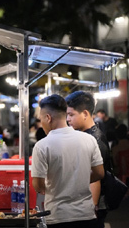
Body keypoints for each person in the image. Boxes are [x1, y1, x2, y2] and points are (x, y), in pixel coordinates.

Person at [32, 94, 104, 227]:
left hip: (59, 217)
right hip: (87, 216)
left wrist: (59, 183)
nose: (41, 124)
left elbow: (38, 185)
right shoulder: (88, 139)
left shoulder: (42, 146)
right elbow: (99, 173)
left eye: (41, 119)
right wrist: (78, 180)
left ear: (48, 118)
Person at [65, 91, 111, 228]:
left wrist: (93, 207)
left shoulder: (94, 139)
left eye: (71, 114)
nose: (68, 119)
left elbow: (95, 176)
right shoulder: (87, 134)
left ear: (85, 114)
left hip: (93, 205)